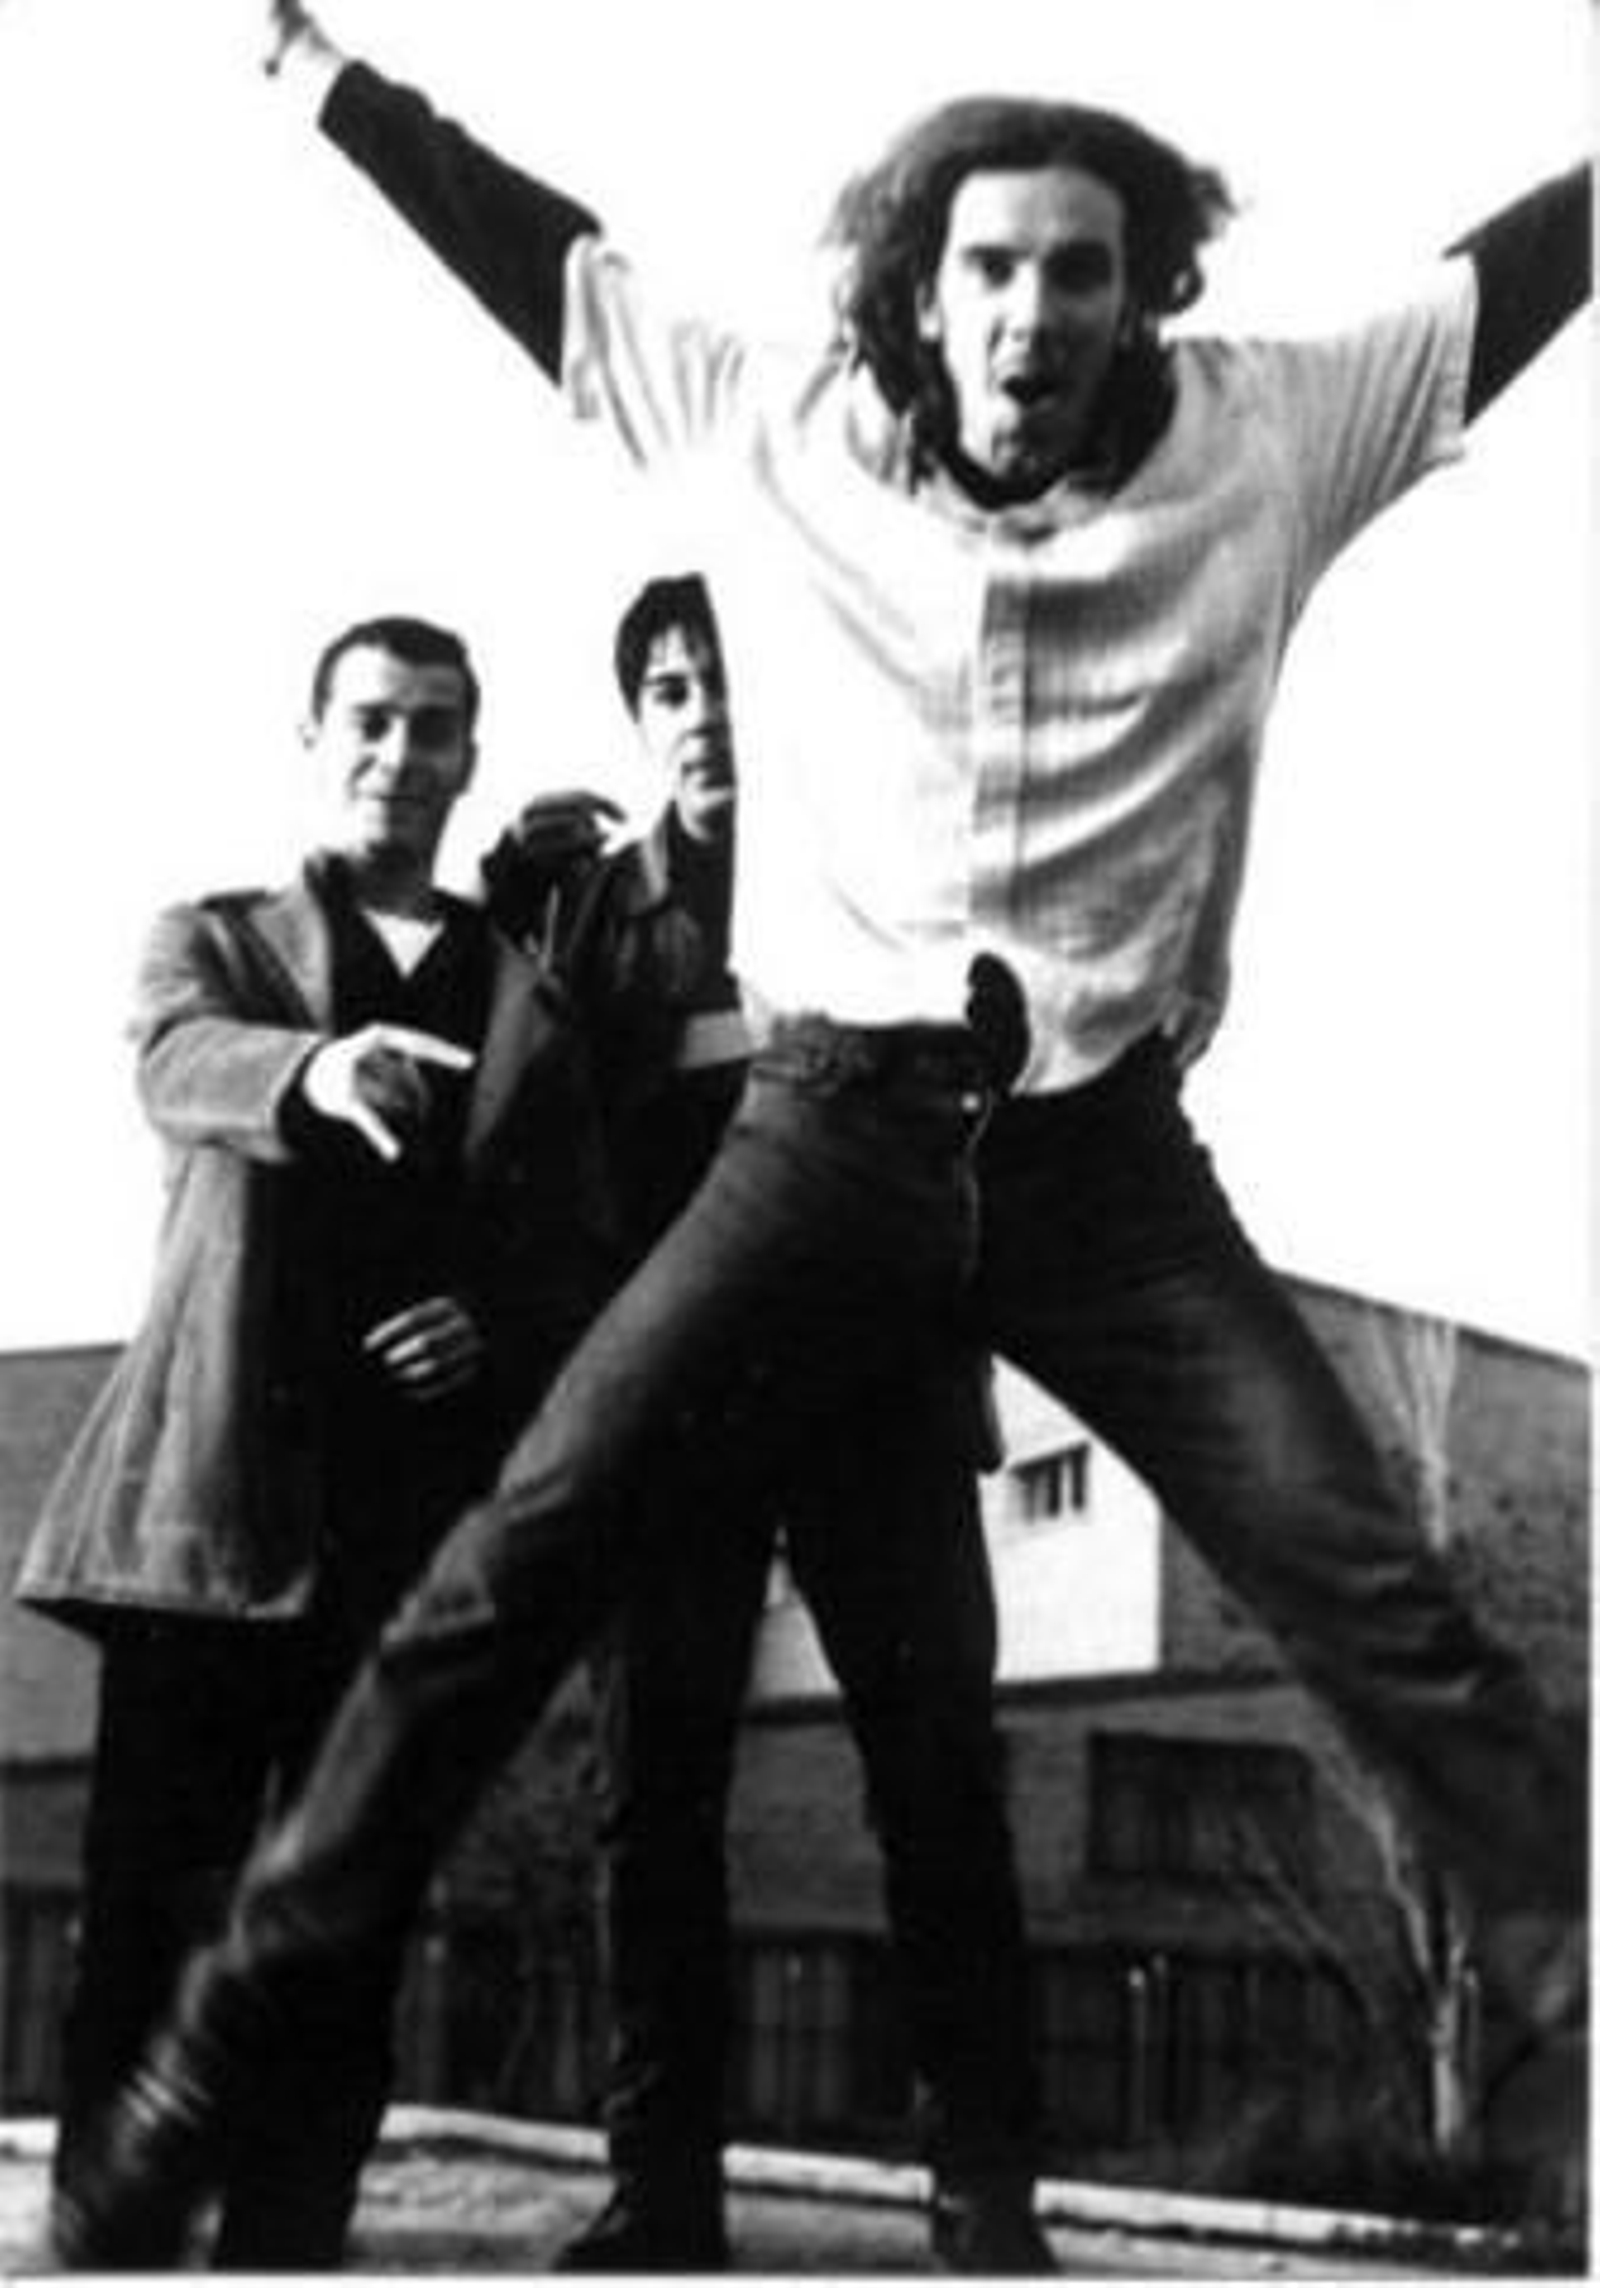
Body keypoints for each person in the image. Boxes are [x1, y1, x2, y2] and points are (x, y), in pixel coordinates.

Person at [48, 1, 1591, 2264]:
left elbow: (1510, 279)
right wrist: (311, 71)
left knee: (1360, 1576)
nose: (1034, 320)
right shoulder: (776, 438)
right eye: (992, 272)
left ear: (1144, 294)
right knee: (517, 1558)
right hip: (829, 1132)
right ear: (919, 296)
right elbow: (537, 258)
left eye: (1082, 273)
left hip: (1100, 1160)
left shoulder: (1276, 431)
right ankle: (211, 2060)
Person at [19, 613, 612, 2270]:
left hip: (405, 1538)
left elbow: (576, 1244)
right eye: (369, 720)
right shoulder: (214, 942)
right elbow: (174, 1064)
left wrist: (495, 1321)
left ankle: (289, 2247)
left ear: (469, 756)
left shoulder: (529, 997)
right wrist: (319, 1069)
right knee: (147, 1910)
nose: (399, 755)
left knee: (349, 1929)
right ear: (313, 736)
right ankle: (106, 2244)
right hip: (207, 1517)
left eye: (433, 727)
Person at [480, 571, 1044, 2274]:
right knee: (654, 1799)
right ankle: (659, 2197)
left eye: (727, 675)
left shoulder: (901, 872)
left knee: (939, 1782)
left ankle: (983, 2197)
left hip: (879, 1398)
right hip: (680, 1422)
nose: (705, 713)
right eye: (668, 686)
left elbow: (1015, 1106)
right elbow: (528, 1156)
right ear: (637, 718)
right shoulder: (591, 915)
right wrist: (515, 933)